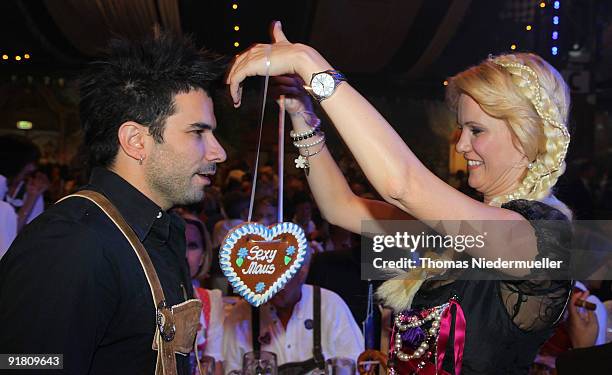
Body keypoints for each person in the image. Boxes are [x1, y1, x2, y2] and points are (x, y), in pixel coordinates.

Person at [227, 22, 574, 374]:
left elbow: (403, 184)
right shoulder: (457, 233)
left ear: (525, 136)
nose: (461, 145)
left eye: (477, 130)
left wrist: (307, 62)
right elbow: (340, 207)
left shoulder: (540, 239)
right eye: (462, 128)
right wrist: (303, 118)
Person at [0, 32, 227, 374]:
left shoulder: (163, 230)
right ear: (136, 140)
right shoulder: (71, 244)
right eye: (198, 132)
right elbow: (25, 365)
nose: (218, 152)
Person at [222, 246, 364, 373]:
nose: (272, 285)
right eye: (266, 275)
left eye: (279, 275)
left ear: (302, 271)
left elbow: (355, 365)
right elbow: (230, 370)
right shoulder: (241, 315)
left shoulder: (330, 305)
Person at [180, 212, 224, 375]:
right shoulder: (145, 300)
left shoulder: (211, 300)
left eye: (192, 246)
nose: (183, 254)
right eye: (177, 243)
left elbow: (215, 364)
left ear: (202, 257)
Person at [0, 135, 49, 232]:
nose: (33, 168)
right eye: (29, 162)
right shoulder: (1, 182)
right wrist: (32, 198)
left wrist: (33, 195)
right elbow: (8, 233)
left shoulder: (30, 189)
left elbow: (32, 231)